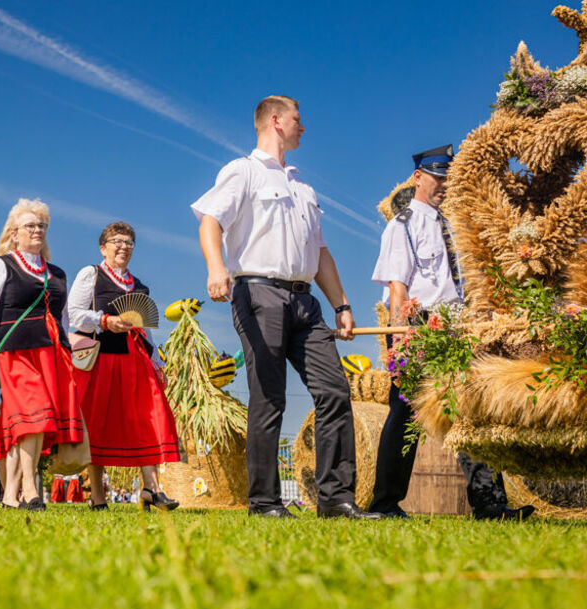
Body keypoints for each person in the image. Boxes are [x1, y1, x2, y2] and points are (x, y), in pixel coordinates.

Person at [192, 95, 381, 520]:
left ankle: (336, 498)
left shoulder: (303, 188)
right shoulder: (243, 171)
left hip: (305, 302)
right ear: (276, 121)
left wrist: (342, 304)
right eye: (299, 119)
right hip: (258, 293)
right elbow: (211, 221)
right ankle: (264, 502)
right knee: (269, 398)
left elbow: (322, 253)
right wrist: (217, 267)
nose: (304, 127)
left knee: (334, 390)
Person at [370, 145, 535, 521]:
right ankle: (385, 503)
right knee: (406, 411)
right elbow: (398, 286)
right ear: (418, 177)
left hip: (461, 324)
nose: (444, 184)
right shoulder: (403, 225)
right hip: (421, 326)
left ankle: (489, 504)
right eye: (438, 176)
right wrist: (398, 340)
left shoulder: (458, 226)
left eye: (449, 178)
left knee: (471, 410)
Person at [0, 198, 83, 511]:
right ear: (14, 234)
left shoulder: (57, 273)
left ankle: (9, 495)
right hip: (15, 352)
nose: (37, 230)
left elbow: (65, 319)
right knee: (33, 416)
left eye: (42, 225)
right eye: (30, 225)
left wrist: (77, 350)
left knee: (31, 424)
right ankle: (31, 490)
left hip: (52, 355)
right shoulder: (2, 265)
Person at [68, 221, 180, 512]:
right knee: (97, 422)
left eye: (129, 242)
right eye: (117, 241)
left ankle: (151, 488)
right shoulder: (91, 275)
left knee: (147, 417)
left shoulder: (139, 286)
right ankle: (97, 494)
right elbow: (74, 316)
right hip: (100, 358)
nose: (123, 247)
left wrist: (157, 363)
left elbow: (147, 329)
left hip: (135, 359)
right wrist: (104, 321)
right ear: (103, 247)